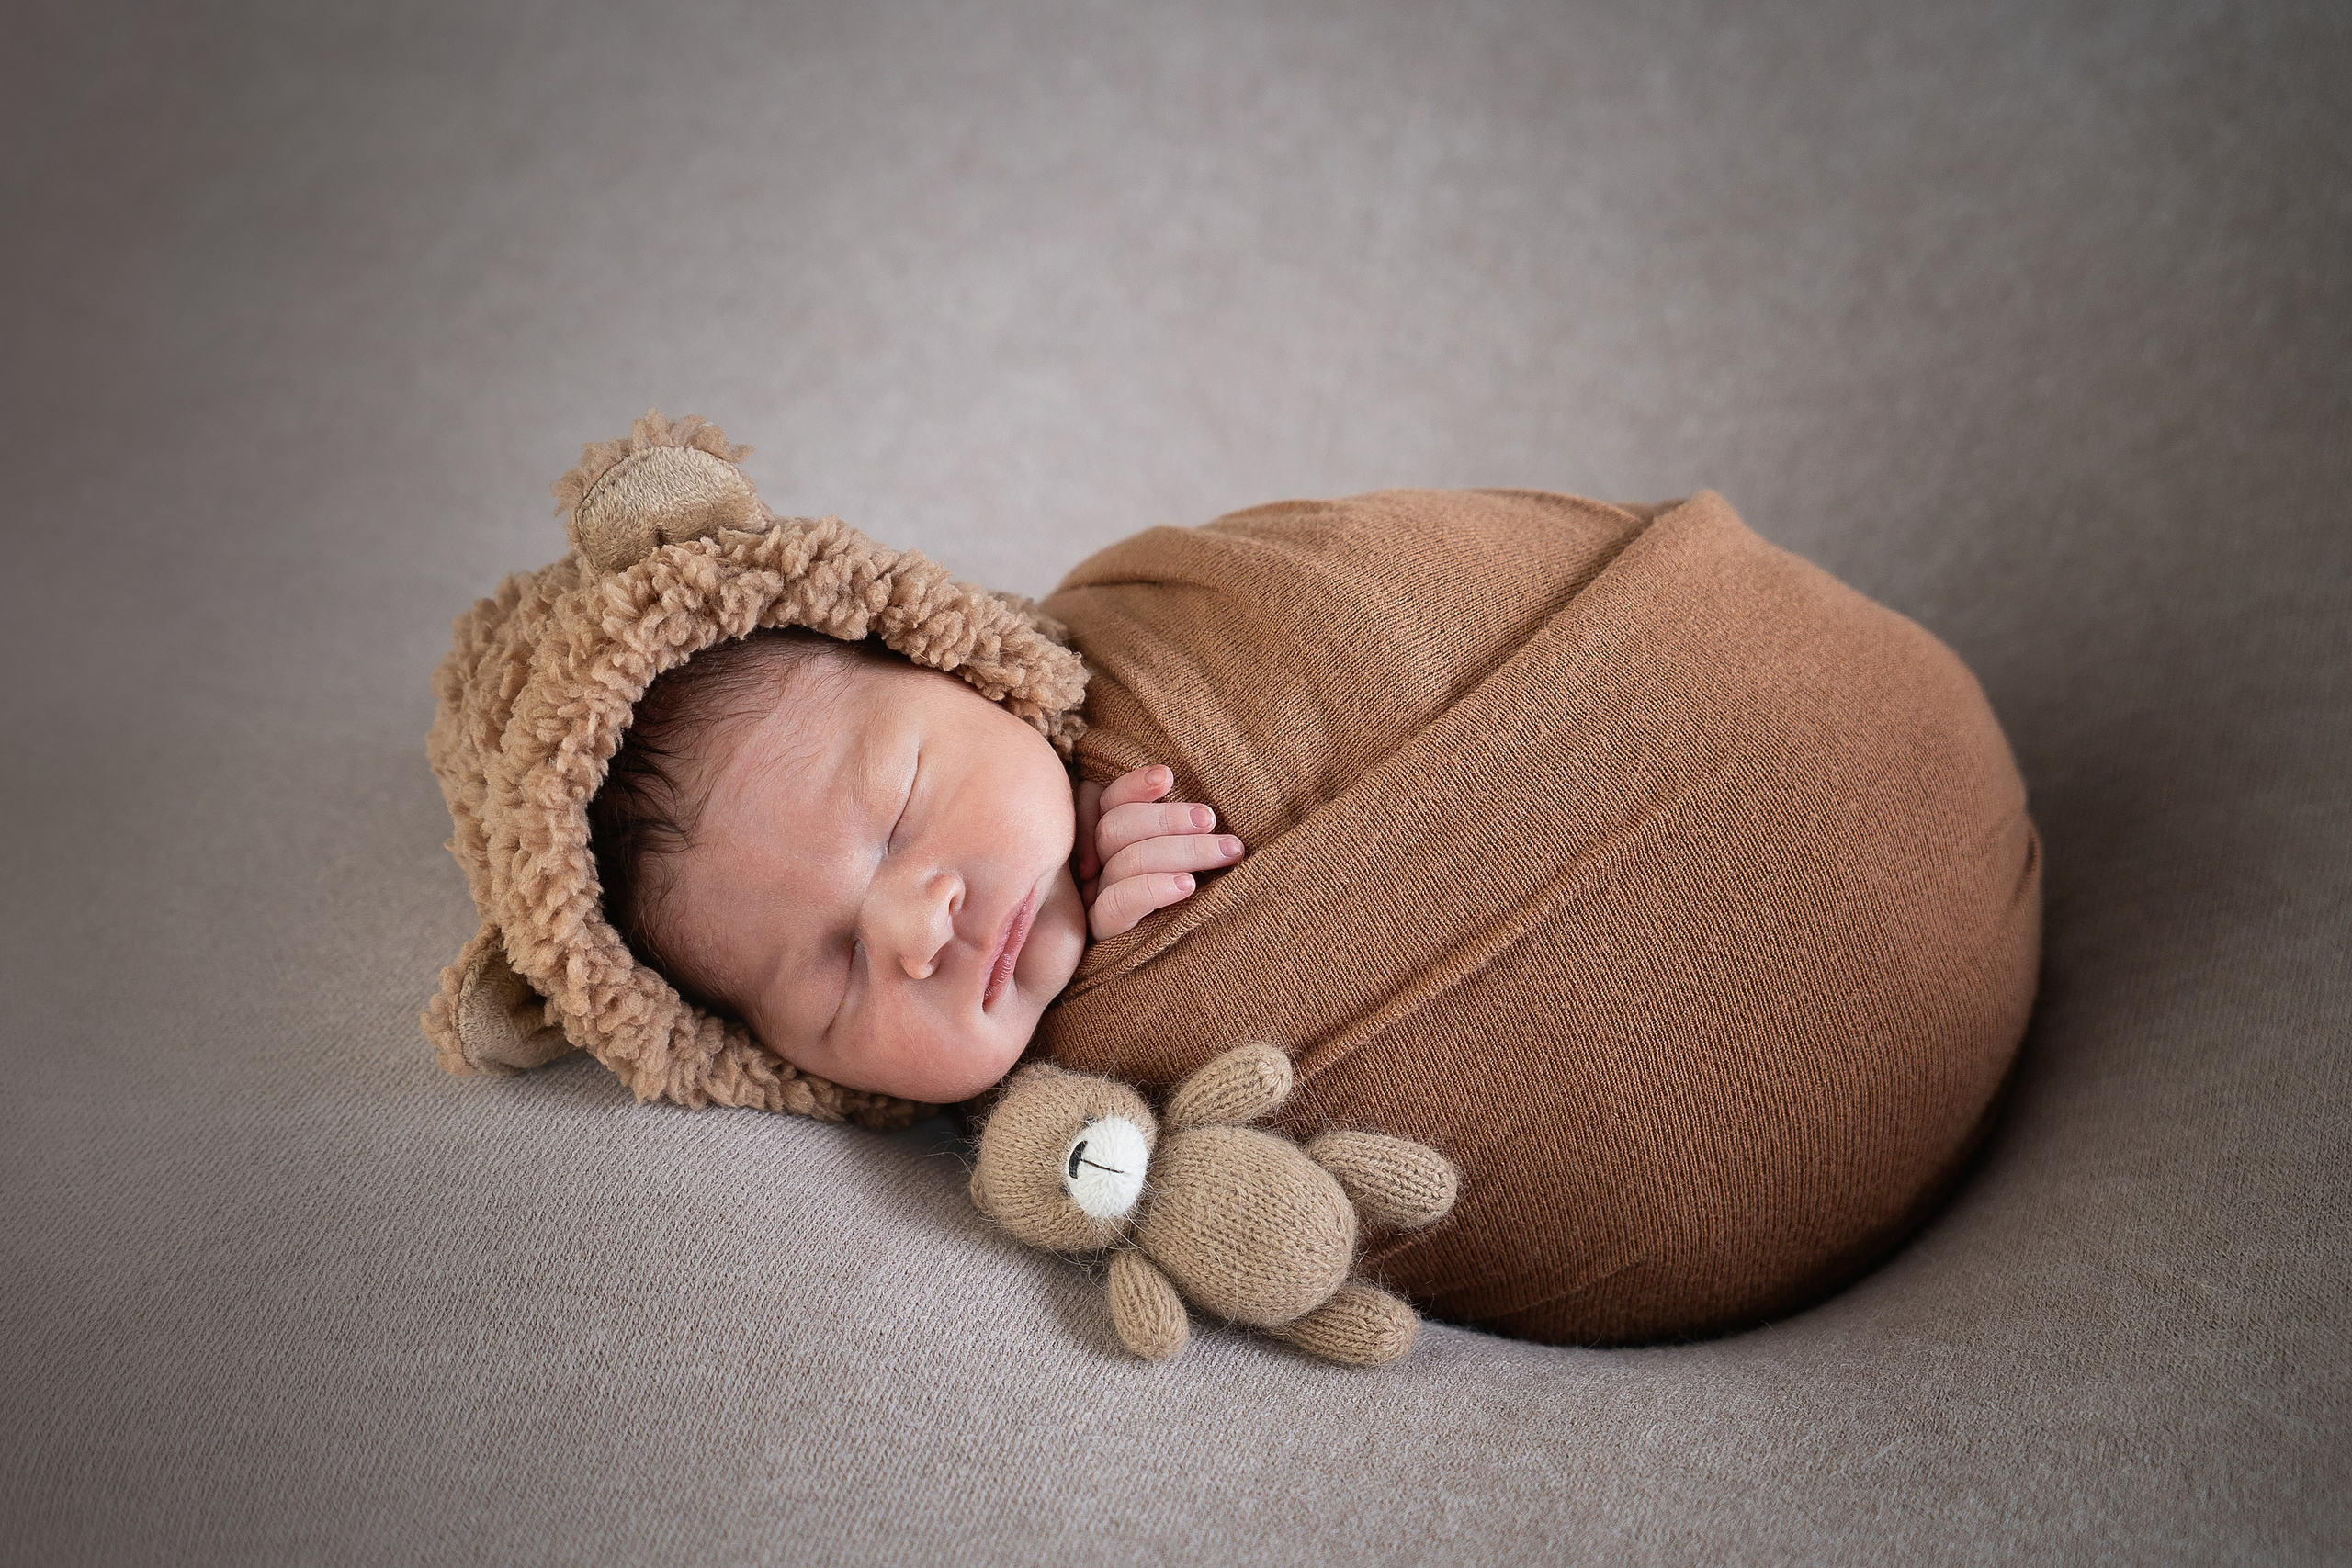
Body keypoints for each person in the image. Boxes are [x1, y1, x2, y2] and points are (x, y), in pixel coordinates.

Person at [424, 412, 2041, 1346]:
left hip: (1769, 706)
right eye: (832, 976)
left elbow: (1377, 605)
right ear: (768, 1068)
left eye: (905, 807)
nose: (916, 922)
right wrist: (1133, 993)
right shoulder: (1057, 1123)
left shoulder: (1149, 648)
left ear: (961, 660)